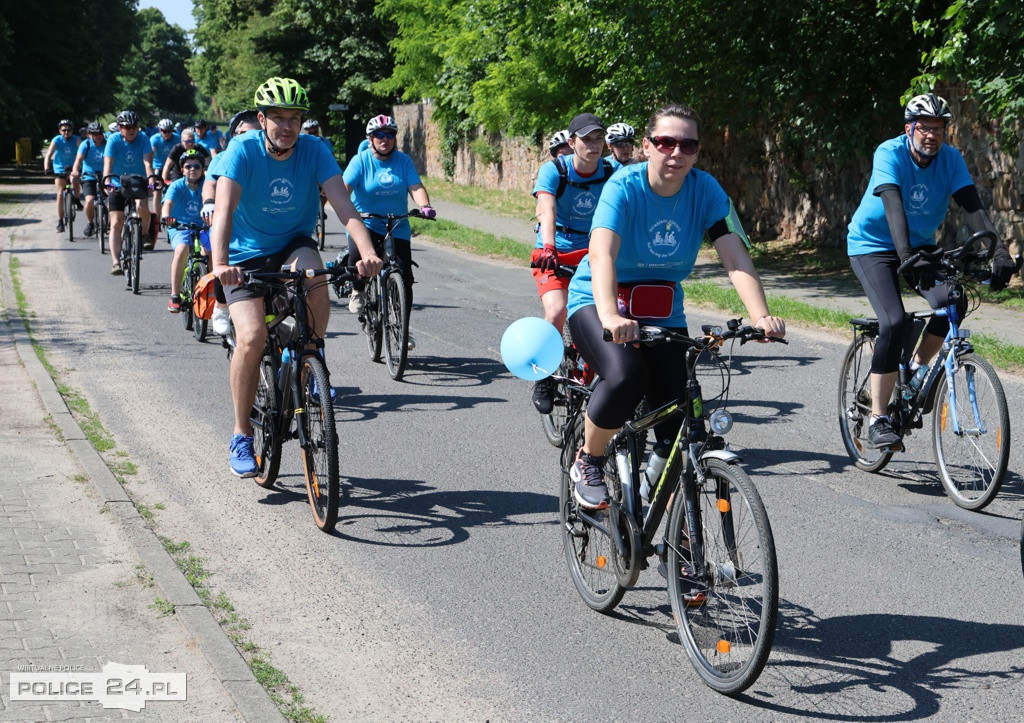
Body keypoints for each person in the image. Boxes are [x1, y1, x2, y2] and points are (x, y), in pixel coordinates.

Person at [565, 103, 785, 510]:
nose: (676, 152)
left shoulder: (706, 190)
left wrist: (760, 316)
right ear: (647, 146)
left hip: (663, 310)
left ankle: (672, 532)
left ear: (698, 152)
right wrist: (611, 316)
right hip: (598, 301)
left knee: (677, 421)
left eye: (688, 145)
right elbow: (602, 255)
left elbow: (735, 257)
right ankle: (589, 459)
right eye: (666, 142)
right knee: (626, 376)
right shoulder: (624, 186)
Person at [210, 77, 381, 478]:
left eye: (295, 118)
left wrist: (368, 253)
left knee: (313, 272)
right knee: (251, 337)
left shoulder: (315, 150)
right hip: (243, 255)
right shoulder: (242, 150)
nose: (287, 126)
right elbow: (223, 211)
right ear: (261, 118)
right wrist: (220, 264)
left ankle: (311, 353)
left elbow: (345, 207)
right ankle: (240, 435)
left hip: (293, 242)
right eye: (278, 118)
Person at [847, 92, 1016, 449]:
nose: (931, 135)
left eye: (939, 128)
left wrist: (999, 252)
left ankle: (914, 373)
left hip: (919, 245)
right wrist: (906, 255)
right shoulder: (889, 153)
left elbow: (974, 208)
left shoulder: (951, 160)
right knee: (893, 320)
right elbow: (892, 204)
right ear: (909, 129)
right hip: (872, 245)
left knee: (954, 301)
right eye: (924, 127)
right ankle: (878, 418)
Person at [530, 113, 616, 414]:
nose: (594, 146)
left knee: (607, 314)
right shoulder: (554, 170)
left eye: (598, 139)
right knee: (556, 310)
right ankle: (542, 375)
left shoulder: (611, 171)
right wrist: (549, 246)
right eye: (586, 139)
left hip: (593, 252)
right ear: (571, 142)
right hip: (555, 250)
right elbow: (547, 208)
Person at [343, 113, 436, 351]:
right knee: (358, 257)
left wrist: (424, 205)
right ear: (370, 138)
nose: (385, 139)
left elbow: (415, 186)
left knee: (403, 278)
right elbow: (343, 188)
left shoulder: (403, 161)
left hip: (397, 225)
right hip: (366, 223)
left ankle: (402, 328)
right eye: (379, 135)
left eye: (390, 134)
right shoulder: (360, 161)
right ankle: (358, 290)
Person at [202, 109, 260, 336]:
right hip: (231, 222)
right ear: (234, 136)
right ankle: (221, 306)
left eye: (254, 133)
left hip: (258, 225)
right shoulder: (222, 158)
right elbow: (210, 183)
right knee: (223, 260)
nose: (248, 138)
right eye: (242, 133)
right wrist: (209, 202)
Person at [102, 110, 155, 274]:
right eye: (127, 127)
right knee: (116, 221)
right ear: (120, 128)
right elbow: (108, 164)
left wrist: (151, 179)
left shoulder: (143, 138)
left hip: (138, 180)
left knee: (142, 206)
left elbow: (147, 162)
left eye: (134, 126)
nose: (131, 130)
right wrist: (107, 182)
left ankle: (145, 234)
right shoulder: (113, 139)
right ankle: (116, 262)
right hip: (118, 182)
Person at [162, 149, 209, 312]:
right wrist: (166, 217)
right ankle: (175, 295)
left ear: (203, 169)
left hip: (205, 226)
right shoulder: (177, 185)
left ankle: (214, 291)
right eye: (188, 166)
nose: (192, 169)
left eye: (197, 166)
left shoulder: (208, 185)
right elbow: (167, 203)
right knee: (181, 250)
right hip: (180, 226)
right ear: (182, 170)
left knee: (211, 252)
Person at [42, 120, 82, 233]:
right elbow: (49, 154)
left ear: (72, 131)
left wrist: (82, 167)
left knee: (75, 182)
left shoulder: (77, 140)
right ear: (60, 131)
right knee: (60, 194)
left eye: (69, 130)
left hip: (73, 167)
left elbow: (82, 153)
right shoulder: (57, 140)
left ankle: (77, 199)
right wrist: (47, 168)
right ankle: (60, 221)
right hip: (59, 168)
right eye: (64, 130)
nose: (66, 132)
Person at [70, 122, 107, 237]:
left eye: (100, 133)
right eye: (95, 134)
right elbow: (78, 160)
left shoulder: (108, 144)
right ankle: (90, 222)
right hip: (89, 176)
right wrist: (75, 170)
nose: (98, 136)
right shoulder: (86, 144)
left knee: (111, 199)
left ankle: (111, 222)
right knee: (90, 200)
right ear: (90, 135)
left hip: (105, 176)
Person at [149, 119, 180, 246]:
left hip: (173, 167)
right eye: (164, 131)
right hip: (158, 167)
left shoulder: (176, 138)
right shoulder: (155, 139)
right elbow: (150, 155)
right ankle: (158, 217)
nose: (167, 134)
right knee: (157, 192)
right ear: (159, 130)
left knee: (174, 191)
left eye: (169, 131)